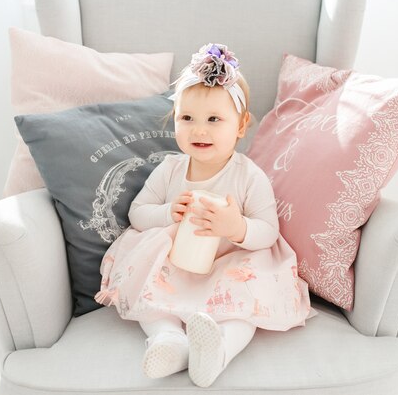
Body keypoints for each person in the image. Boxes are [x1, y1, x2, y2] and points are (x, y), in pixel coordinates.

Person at [95, 43, 312, 387]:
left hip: (229, 263)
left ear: (240, 126)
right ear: (175, 120)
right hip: (175, 263)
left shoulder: (248, 174)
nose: (199, 130)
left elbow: (268, 231)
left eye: (214, 119)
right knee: (149, 295)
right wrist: (168, 212)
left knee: (244, 308)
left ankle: (218, 350)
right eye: (187, 118)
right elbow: (138, 213)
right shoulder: (170, 168)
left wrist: (237, 227)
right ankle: (169, 341)